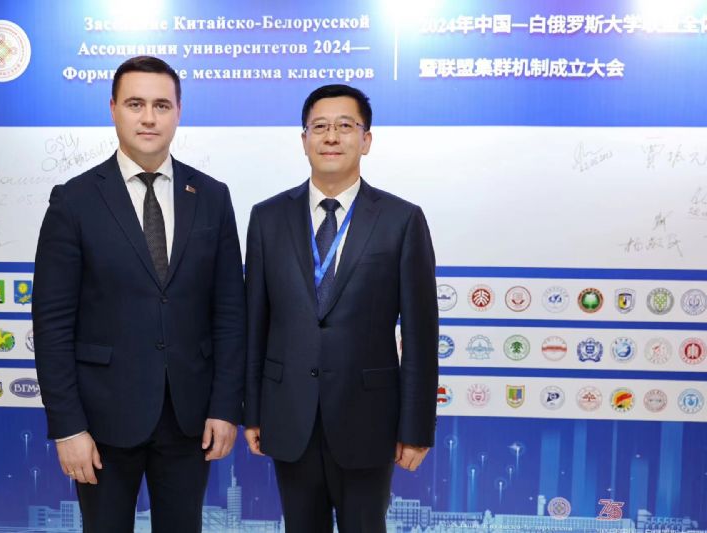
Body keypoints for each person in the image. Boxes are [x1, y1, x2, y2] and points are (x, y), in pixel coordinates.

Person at [32, 56, 245, 532]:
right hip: (101, 420)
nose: (149, 117)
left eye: (161, 105)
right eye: (135, 104)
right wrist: (68, 427)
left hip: (190, 420)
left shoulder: (212, 196)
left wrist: (225, 408)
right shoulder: (74, 200)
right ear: (113, 109)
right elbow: (52, 324)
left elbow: (230, 312)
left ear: (178, 112)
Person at [243, 84, 438, 533]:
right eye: (320, 127)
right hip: (289, 415)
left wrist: (416, 428)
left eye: (345, 126)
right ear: (304, 140)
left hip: (369, 418)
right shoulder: (267, 218)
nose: (331, 136)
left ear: (366, 140)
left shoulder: (401, 220)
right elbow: (256, 323)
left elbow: (421, 334)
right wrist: (252, 411)